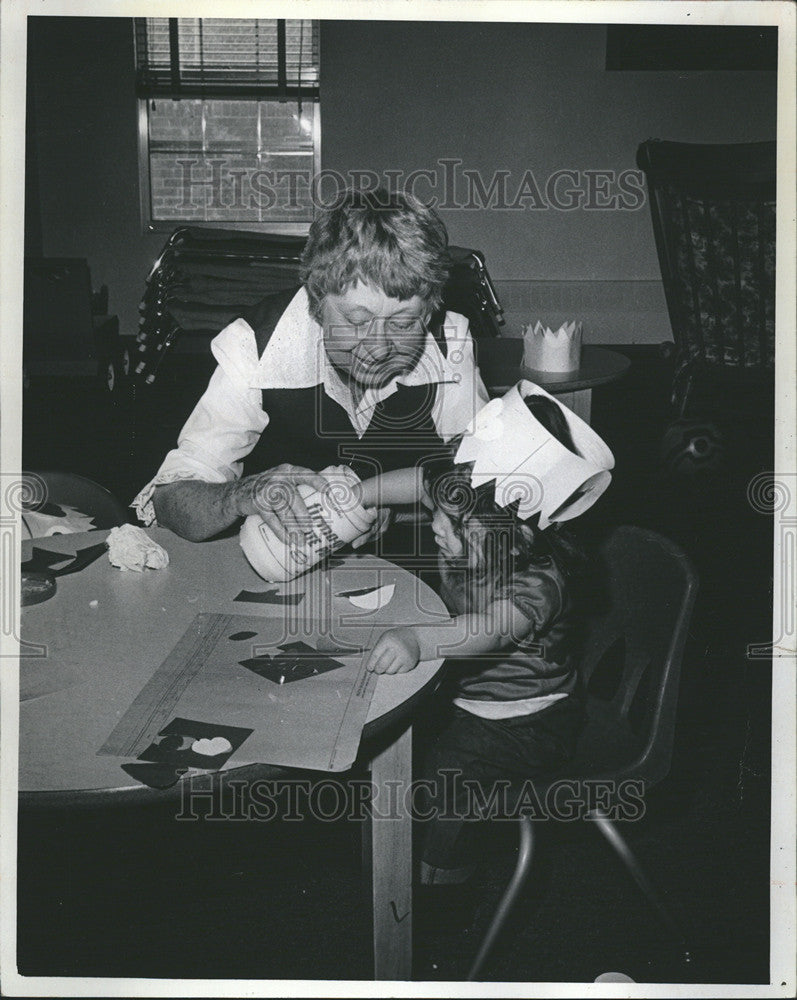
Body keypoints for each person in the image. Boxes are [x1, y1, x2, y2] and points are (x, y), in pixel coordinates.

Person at [355, 380, 615, 884]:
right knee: (388, 750)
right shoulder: (474, 499)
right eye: (439, 512)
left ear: (518, 533)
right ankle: (389, 863)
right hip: (462, 693)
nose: (437, 528)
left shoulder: (540, 583)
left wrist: (419, 640)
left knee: (442, 780)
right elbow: (420, 481)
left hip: (525, 721)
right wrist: (357, 495)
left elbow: (491, 632)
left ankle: (438, 885)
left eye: (457, 525)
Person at [132, 188, 488, 548]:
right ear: (317, 304)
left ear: (428, 312)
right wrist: (240, 494)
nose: (379, 349)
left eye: (402, 324)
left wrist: (392, 508)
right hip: (270, 562)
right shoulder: (254, 344)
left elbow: (487, 484)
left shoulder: (449, 342)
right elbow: (170, 502)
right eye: (357, 321)